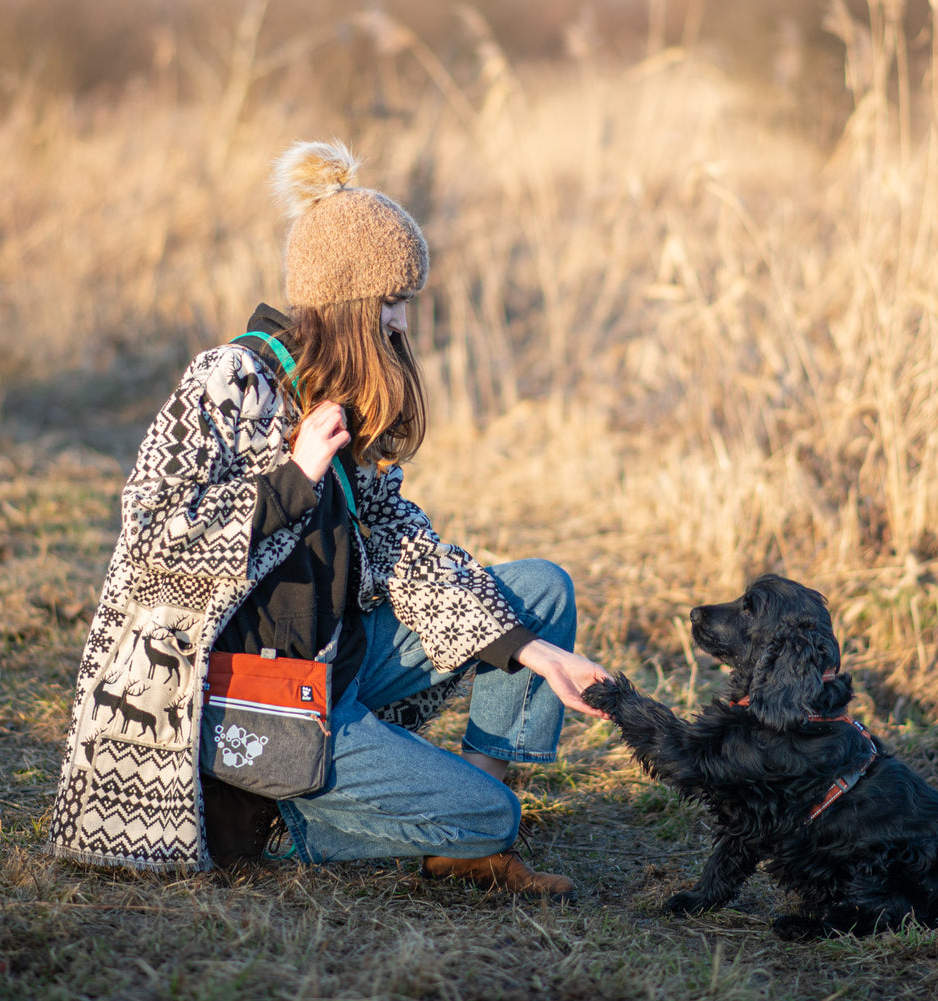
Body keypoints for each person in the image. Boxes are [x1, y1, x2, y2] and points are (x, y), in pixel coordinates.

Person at [46, 139, 609, 900]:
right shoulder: (229, 379)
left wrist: (532, 652)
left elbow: (407, 545)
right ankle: (287, 822)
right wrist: (291, 480)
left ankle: (471, 843)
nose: (405, 323)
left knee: (539, 591)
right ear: (350, 303)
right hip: (256, 699)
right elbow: (152, 537)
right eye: (393, 302)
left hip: (335, 659)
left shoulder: (336, 394)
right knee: (494, 813)